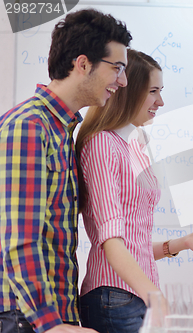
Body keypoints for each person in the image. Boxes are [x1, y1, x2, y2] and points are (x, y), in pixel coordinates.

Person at [0, 9, 132, 333]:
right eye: (117, 68)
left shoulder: (63, 130)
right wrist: (51, 325)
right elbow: (19, 240)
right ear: (83, 63)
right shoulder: (28, 127)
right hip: (27, 320)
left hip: (54, 315)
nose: (123, 81)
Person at [75, 49, 193, 333]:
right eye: (153, 91)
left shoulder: (133, 143)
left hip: (131, 295)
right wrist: (154, 297)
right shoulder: (102, 145)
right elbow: (111, 243)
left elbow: (134, 244)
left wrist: (182, 243)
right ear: (125, 91)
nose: (161, 101)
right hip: (113, 296)